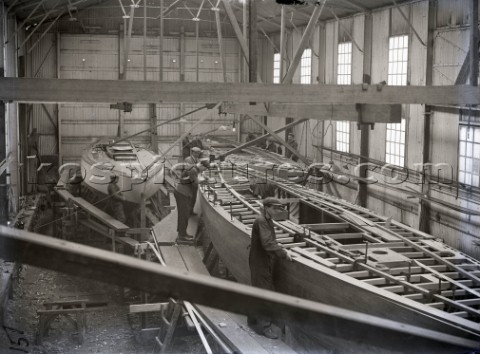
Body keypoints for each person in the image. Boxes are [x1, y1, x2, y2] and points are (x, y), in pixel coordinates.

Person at [248, 197, 294, 339]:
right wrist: (284, 252)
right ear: (266, 207)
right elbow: (267, 243)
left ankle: (252, 321)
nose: (276, 211)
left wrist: (279, 246)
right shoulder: (261, 220)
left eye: (278, 209)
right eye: (274, 208)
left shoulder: (267, 219)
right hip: (259, 261)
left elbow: (269, 240)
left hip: (263, 260)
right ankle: (264, 327)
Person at [173, 160, 209, 241]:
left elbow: (195, 177)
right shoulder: (193, 170)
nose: (203, 171)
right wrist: (205, 180)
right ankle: (182, 236)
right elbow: (195, 183)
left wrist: (203, 177)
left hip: (182, 192)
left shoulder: (193, 167)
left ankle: (182, 233)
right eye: (204, 169)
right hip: (182, 193)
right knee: (184, 215)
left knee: (184, 214)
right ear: (201, 165)